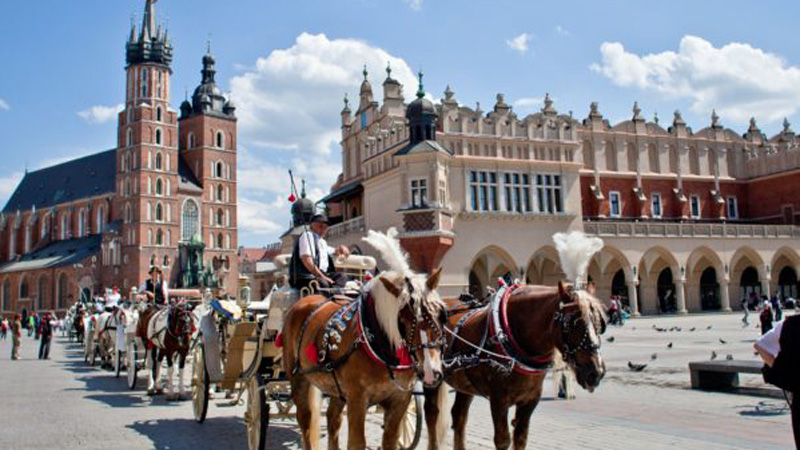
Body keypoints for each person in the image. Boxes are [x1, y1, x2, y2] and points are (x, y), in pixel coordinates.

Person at [755, 313, 799, 448]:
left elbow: (761, 345)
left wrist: (780, 371)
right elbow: (760, 346)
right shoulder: (790, 324)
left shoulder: (790, 324)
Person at [289, 214, 350, 293]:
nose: (323, 229)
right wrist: (322, 276)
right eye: (320, 226)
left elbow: (333, 251)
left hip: (322, 274)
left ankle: (335, 294)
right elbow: (307, 260)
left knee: (342, 277)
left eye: (326, 227)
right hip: (305, 276)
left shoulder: (322, 242)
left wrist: (341, 248)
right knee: (323, 284)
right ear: (312, 226)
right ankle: (331, 295)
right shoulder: (307, 236)